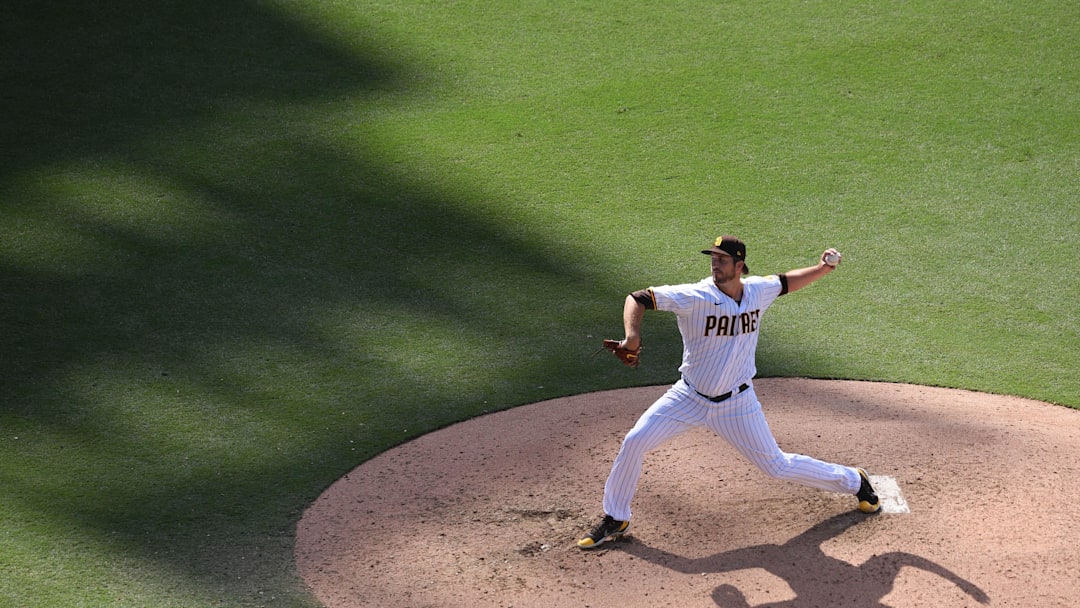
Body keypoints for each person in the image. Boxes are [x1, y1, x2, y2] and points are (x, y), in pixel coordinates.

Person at [577, 235, 880, 550]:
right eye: (713, 257)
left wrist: (822, 268)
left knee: (776, 466)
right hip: (689, 397)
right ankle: (616, 516)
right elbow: (637, 298)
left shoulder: (758, 291)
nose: (714, 263)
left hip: (738, 404)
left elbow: (788, 281)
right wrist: (632, 337)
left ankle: (855, 480)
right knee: (635, 441)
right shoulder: (695, 295)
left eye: (722, 259)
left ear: (739, 266)